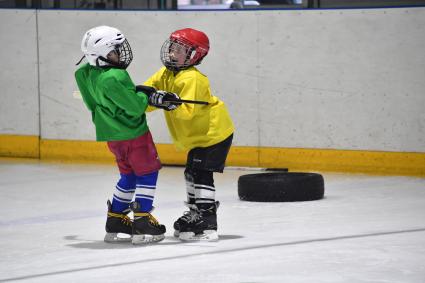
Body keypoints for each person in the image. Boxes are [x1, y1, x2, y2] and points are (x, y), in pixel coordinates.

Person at [74, 25, 179, 244]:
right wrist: (148, 98)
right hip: (134, 135)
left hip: (112, 136)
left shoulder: (84, 73)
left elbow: (93, 104)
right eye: (114, 50)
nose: (119, 53)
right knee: (148, 173)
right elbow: (135, 108)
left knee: (128, 175)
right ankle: (142, 221)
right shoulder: (114, 76)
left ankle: (115, 219)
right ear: (103, 53)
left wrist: (136, 92)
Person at [142, 28, 234, 241]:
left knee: (201, 173)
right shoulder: (165, 73)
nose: (173, 53)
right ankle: (196, 213)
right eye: (173, 48)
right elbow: (148, 93)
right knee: (191, 173)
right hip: (198, 137)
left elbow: (187, 113)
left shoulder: (192, 78)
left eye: (180, 50)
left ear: (194, 55)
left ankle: (207, 218)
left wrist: (165, 102)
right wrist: (144, 98)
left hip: (214, 134)